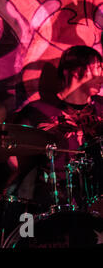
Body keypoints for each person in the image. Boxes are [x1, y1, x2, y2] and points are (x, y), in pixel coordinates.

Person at [12, 45, 103, 210]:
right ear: (74, 71)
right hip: (53, 201)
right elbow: (15, 161)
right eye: (96, 68)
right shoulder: (37, 111)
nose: (101, 75)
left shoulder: (101, 108)